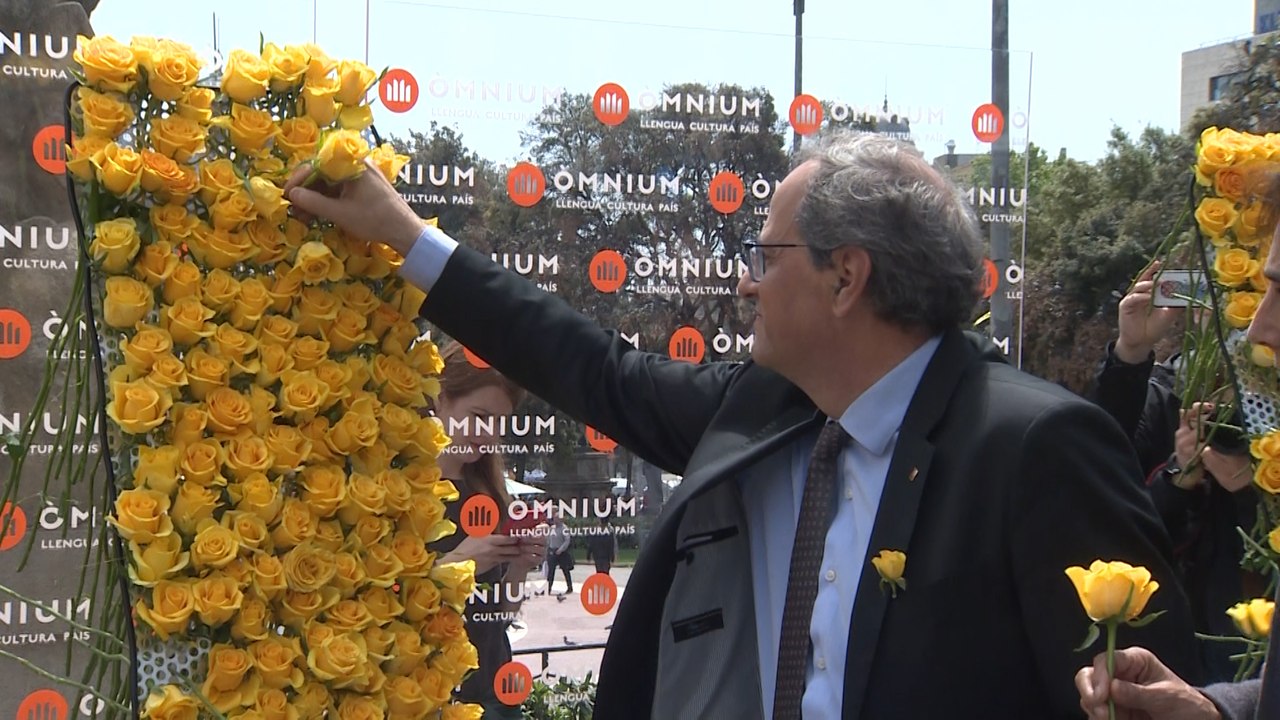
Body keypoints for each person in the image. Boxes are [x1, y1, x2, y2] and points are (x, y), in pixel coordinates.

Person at [286, 131, 1201, 718]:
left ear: (846, 278)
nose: (743, 281)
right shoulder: (759, 408)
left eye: (763, 254)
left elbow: (1148, 696)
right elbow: (584, 364)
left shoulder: (1034, 449)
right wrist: (408, 237)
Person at [1090, 263, 1261, 681]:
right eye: (1210, 296)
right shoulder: (1165, 391)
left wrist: (1250, 490)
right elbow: (1103, 484)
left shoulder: (1267, 403)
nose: (1223, 317)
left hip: (1249, 627)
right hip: (1170, 622)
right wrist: (1131, 351)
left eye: (1241, 300)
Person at [428, 343, 546, 719]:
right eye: (479, 416)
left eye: (498, 423)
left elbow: (501, 615)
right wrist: (460, 563)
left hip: (493, 689)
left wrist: (519, 568)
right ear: (440, 399)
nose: (487, 434)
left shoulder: (491, 493)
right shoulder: (404, 489)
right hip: (429, 692)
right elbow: (384, 599)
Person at [545, 509, 573, 595]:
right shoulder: (552, 528)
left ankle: (569, 587)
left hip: (561, 552)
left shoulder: (564, 528)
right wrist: (548, 549)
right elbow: (549, 539)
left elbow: (567, 540)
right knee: (551, 571)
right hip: (552, 551)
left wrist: (561, 550)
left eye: (557, 518)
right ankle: (548, 588)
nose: (555, 520)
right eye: (554, 518)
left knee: (565, 570)